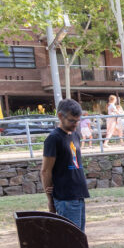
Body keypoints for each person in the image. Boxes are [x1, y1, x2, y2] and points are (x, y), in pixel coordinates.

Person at [40, 98, 89, 231]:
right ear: (60, 116)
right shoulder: (53, 139)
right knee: (71, 238)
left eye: (77, 121)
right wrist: (50, 200)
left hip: (78, 194)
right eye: (72, 121)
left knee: (79, 237)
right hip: (65, 197)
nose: (75, 125)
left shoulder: (75, 135)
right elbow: (45, 171)